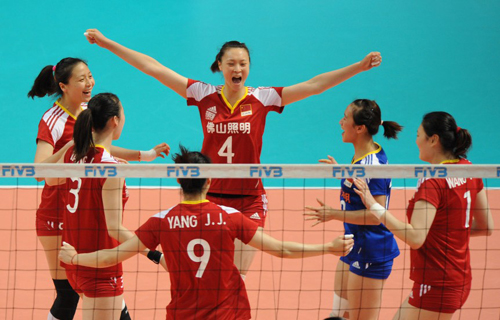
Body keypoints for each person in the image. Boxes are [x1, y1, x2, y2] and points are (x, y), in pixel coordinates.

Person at [83, 29, 381, 278]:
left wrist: (359, 66)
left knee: (233, 277)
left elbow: (314, 86)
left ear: (248, 67)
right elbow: (154, 68)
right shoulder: (203, 95)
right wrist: (107, 43)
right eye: (231, 64)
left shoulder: (264, 98)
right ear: (220, 66)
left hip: (250, 200)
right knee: (207, 275)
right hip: (207, 197)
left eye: (243, 64)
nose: (237, 69)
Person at [58, 145, 355, 320]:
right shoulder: (230, 217)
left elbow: (113, 255)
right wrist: (327, 247)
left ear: (178, 180)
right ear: (209, 181)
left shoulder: (161, 222)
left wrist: (74, 259)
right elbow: (281, 249)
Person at [29, 58, 169, 320]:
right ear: (63, 85)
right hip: (58, 218)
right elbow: (41, 173)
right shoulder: (53, 120)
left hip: (84, 215)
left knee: (99, 295)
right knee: (71, 294)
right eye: (81, 79)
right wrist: (156, 255)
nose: (89, 83)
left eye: (90, 76)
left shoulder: (87, 112)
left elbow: (99, 145)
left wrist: (142, 155)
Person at [353, 111, 494, 320]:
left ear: (433, 139)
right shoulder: (469, 170)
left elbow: (416, 238)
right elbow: (486, 227)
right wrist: (442, 233)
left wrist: (374, 206)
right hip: (460, 279)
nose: (416, 140)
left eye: (419, 134)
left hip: (437, 284)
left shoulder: (432, 182)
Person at [304, 99, 403, 320]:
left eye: (345, 118)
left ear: (360, 128)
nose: (340, 122)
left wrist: (333, 214)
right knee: (338, 315)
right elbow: (361, 184)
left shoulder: (371, 166)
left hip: (373, 250)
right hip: (353, 243)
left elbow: (377, 215)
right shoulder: (362, 157)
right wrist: (344, 171)